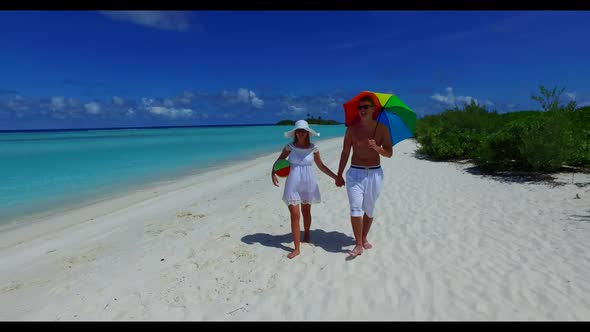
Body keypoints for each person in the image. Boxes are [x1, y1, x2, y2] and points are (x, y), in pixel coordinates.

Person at [272, 120, 338, 259]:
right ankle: (296, 248)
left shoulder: (314, 148)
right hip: (293, 182)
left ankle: (307, 233)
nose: (301, 133)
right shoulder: (289, 147)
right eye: (298, 131)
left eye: (303, 131)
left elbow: (321, 166)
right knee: (295, 215)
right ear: (295, 133)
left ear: (307, 133)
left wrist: (335, 177)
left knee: (306, 211)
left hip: (308, 182)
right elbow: (279, 161)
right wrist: (273, 173)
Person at [335, 96, 393, 257]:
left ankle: (364, 236)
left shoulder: (382, 129)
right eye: (360, 107)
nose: (362, 110)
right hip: (355, 173)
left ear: (374, 109)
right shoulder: (351, 129)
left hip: (375, 173)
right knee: (355, 208)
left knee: (369, 209)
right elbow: (345, 152)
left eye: (366, 107)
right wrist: (339, 174)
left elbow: (389, 153)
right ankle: (358, 244)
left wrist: (377, 148)